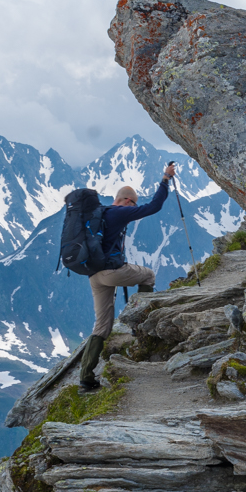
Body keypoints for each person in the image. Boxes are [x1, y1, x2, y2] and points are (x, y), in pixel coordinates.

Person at [76, 161, 176, 390]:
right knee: (148, 275)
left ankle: (86, 379)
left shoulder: (99, 213)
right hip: (111, 272)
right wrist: (165, 179)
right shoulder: (120, 212)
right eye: (133, 204)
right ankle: (142, 326)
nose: (134, 208)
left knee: (102, 326)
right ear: (127, 201)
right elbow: (153, 207)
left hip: (94, 275)